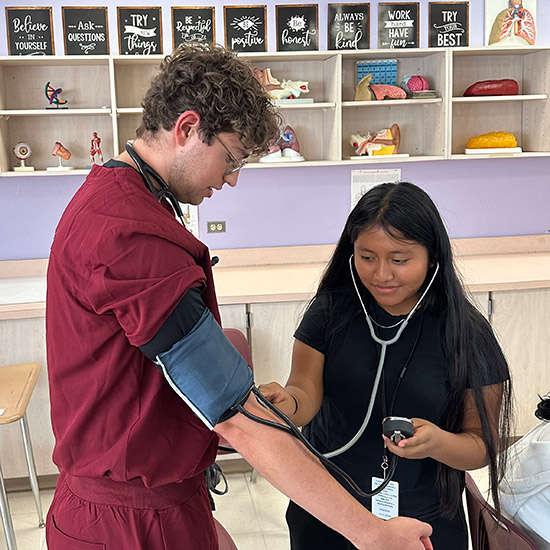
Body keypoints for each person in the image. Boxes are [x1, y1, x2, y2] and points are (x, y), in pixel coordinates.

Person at [45, 45, 433, 550]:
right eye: (229, 159)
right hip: (126, 521)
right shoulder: (127, 233)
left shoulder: (126, 199)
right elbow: (235, 415)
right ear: (186, 128)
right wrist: (372, 534)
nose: (231, 179)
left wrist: (193, 513)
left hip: (155, 500)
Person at [260, 181, 513, 550]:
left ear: (432, 257)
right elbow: (304, 393)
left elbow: (481, 445)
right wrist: (285, 404)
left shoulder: (467, 334)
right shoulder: (330, 312)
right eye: (366, 256)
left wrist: (437, 443)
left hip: (420, 521)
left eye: (399, 260)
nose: (381, 274)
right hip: (327, 509)